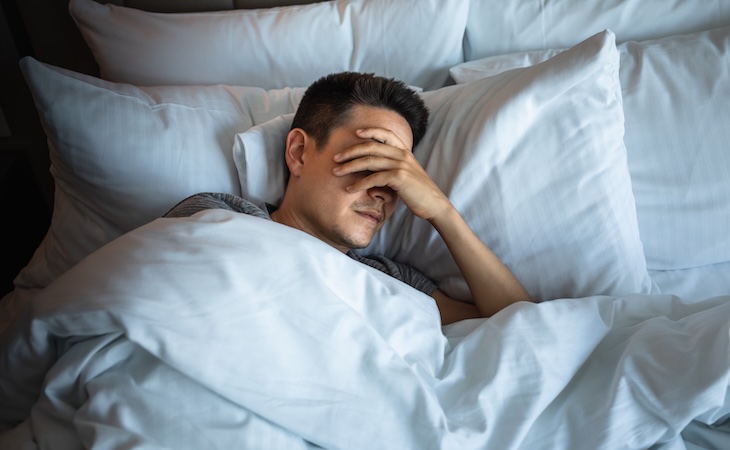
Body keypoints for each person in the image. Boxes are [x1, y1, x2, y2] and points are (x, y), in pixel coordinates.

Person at [165, 72, 530, 325]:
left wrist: (441, 211)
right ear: (299, 152)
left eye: (400, 175)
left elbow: (519, 325)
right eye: (370, 159)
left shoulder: (387, 279)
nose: (383, 190)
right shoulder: (218, 214)